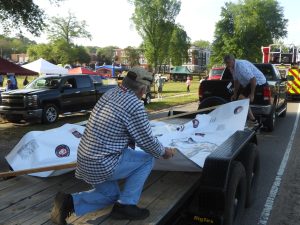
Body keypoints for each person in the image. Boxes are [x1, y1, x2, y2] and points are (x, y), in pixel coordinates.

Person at [50, 67, 176, 224]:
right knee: (148, 159)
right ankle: (126, 205)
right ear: (143, 88)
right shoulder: (134, 104)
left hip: (86, 159)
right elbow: (147, 142)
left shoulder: (110, 93)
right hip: (103, 162)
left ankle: (67, 202)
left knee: (111, 196)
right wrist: (164, 152)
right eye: (145, 89)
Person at [223, 54, 267, 125]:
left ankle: (252, 121)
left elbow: (253, 79)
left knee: (241, 99)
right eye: (226, 63)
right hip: (249, 82)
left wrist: (252, 94)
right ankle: (252, 120)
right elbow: (236, 81)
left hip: (259, 81)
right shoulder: (231, 68)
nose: (227, 65)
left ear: (233, 60)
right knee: (240, 99)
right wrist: (235, 94)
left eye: (228, 63)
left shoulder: (241, 66)